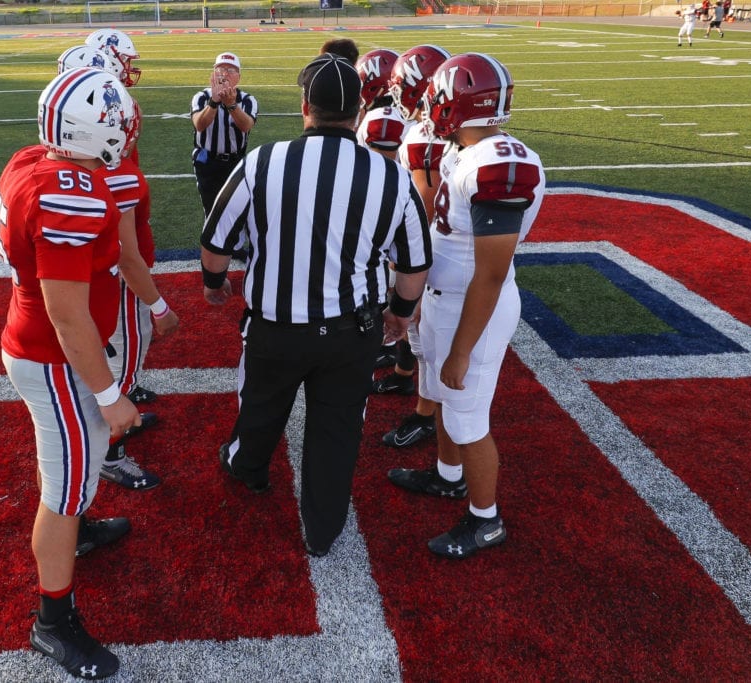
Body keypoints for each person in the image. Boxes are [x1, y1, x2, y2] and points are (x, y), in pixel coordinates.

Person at [200, 54, 431, 558]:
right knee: (337, 429)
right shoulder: (389, 176)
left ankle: (248, 469)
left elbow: (215, 239)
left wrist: (214, 284)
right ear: (360, 109)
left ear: (305, 107)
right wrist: (401, 313)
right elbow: (414, 262)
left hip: (276, 326)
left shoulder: (262, 161)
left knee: (261, 404)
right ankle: (322, 529)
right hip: (353, 333)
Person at [0, 67, 141, 679]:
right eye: (117, 117)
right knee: (66, 485)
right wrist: (110, 395)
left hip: (42, 347)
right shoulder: (70, 192)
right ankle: (52, 622)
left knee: (64, 466)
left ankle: (76, 531)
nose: (126, 125)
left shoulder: (34, 159)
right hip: (54, 359)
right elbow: (66, 313)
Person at [388, 53, 546, 560]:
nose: (430, 104)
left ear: (457, 102)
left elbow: (492, 273)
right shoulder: (467, 150)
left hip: (471, 309)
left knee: (467, 419)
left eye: (438, 95)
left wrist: (462, 349)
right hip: (443, 299)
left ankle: (486, 519)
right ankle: (448, 477)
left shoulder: (500, 163)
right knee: (439, 396)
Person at [57, 39, 175, 492]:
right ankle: (111, 452)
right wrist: (159, 304)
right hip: (111, 276)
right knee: (123, 351)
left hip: (94, 274)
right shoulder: (112, 171)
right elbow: (124, 251)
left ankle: (115, 402)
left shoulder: (54, 160)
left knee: (112, 350)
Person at [371, 45, 451, 449]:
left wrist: (410, 274)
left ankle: (428, 415)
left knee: (429, 341)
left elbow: (424, 210)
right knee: (425, 341)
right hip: (443, 253)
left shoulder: (425, 136)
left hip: (437, 256)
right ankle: (423, 403)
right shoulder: (434, 130)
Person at [190, 52, 258, 226]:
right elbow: (199, 124)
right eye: (221, 69)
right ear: (213, 74)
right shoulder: (202, 97)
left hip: (235, 162)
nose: (225, 74)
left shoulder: (248, 100)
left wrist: (231, 105)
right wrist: (214, 101)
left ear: (238, 77)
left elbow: (246, 126)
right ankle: (211, 251)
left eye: (230, 70)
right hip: (208, 162)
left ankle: (235, 249)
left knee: (237, 209)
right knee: (211, 209)